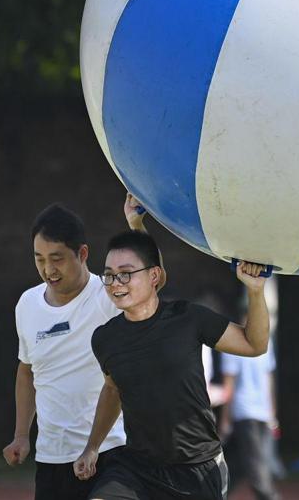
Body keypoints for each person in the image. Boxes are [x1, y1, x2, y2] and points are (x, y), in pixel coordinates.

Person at [74, 206, 271, 500]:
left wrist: (255, 291)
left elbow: (254, 344)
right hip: (137, 469)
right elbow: (112, 390)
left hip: (198, 470)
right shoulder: (105, 339)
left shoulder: (188, 319)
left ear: (154, 276)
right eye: (110, 276)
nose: (116, 284)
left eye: (126, 274)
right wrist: (92, 447)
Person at [3, 202, 126, 500]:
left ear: (82, 254)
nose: (48, 269)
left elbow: (154, 281)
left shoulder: (109, 296)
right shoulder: (27, 304)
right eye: (39, 259)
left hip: (109, 453)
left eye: (56, 259)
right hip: (51, 459)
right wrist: (21, 435)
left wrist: (136, 226)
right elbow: (27, 370)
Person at [220, 346, 279, 499]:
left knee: (241, 463)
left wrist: (271, 412)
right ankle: (269, 497)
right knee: (256, 463)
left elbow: (268, 378)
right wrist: (225, 419)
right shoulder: (231, 344)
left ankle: (217, 495)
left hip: (262, 413)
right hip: (244, 411)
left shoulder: (267, 343)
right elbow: (229, 385)